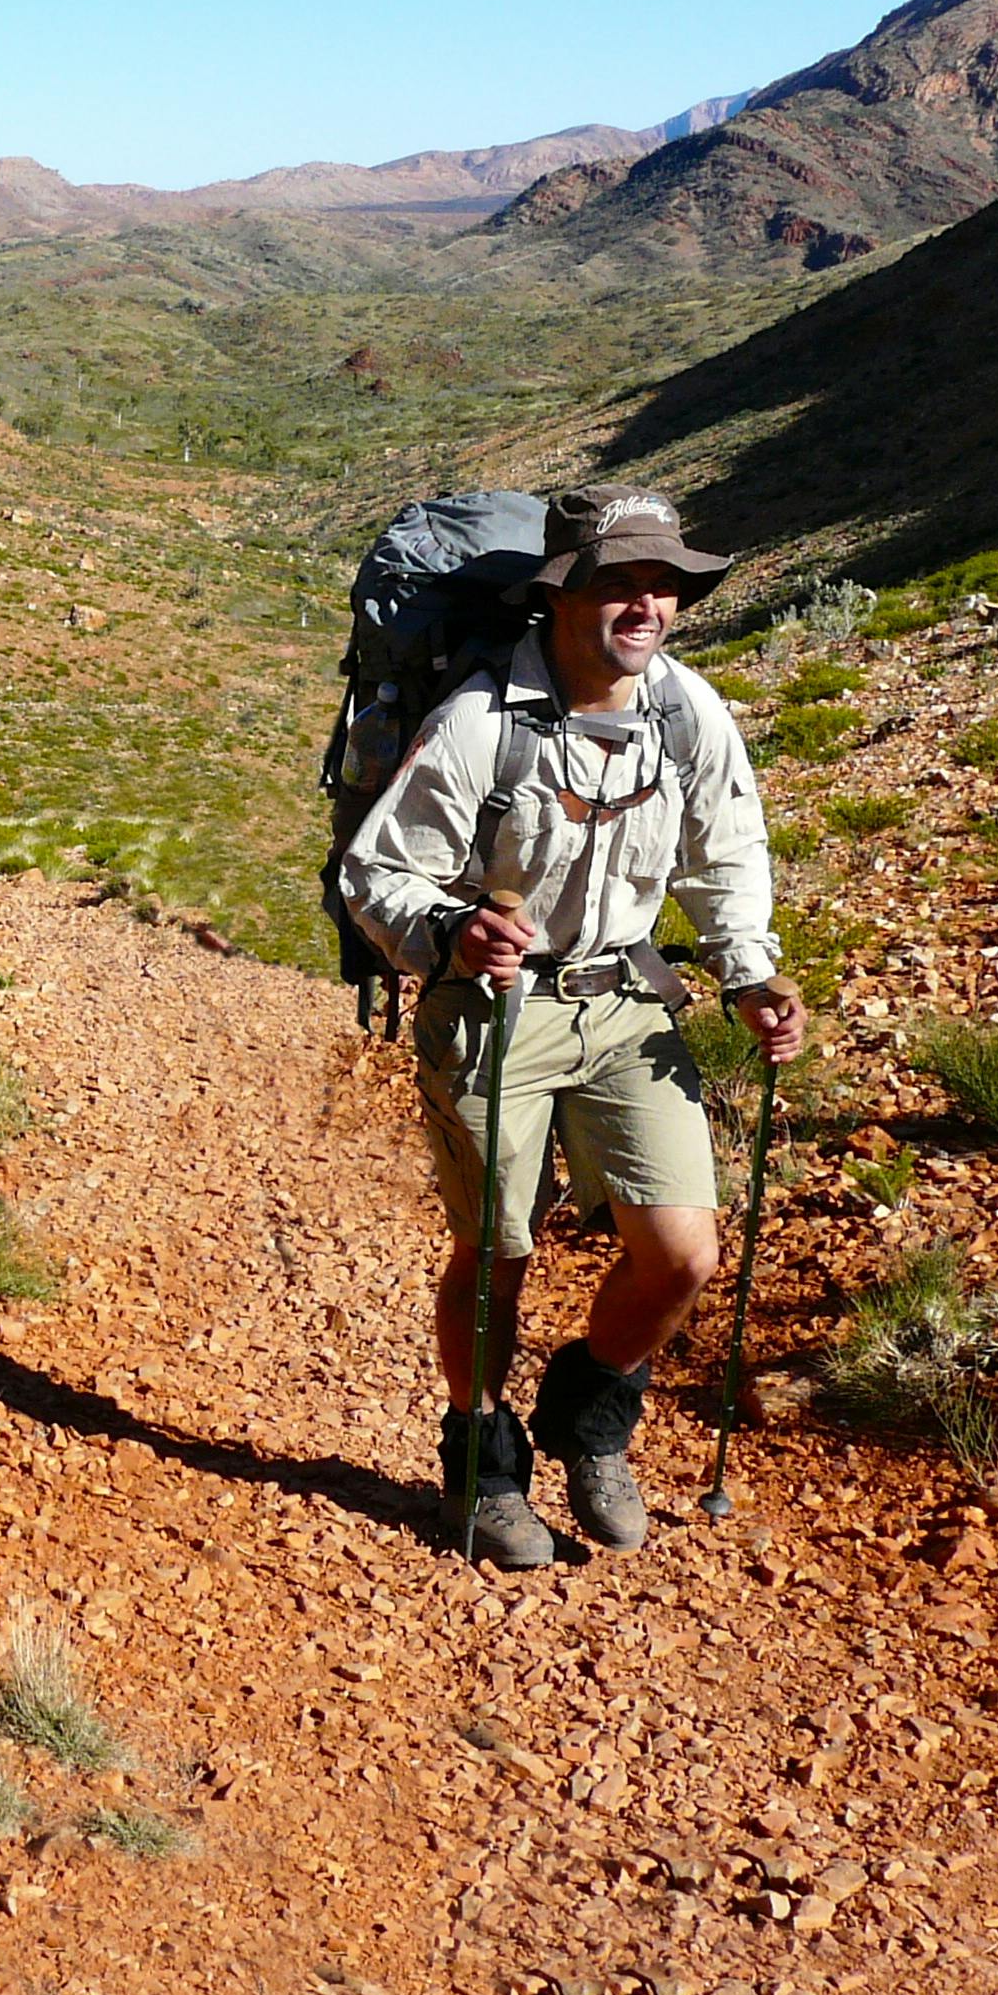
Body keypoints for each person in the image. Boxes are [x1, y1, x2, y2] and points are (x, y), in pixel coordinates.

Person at [336, 486, 806, 1569]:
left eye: (664, 585)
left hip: (627, 1001)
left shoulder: (688, 715)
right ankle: (484, 1464)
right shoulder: (479, 723)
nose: (646, 604)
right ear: (560, 597)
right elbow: (379, 870)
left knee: (682, 1255)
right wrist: (455, 928)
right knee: (499, 1247)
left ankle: (590, 1423)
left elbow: (726, 856)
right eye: (618, 584)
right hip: (495, 1006)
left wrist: (750, 976)